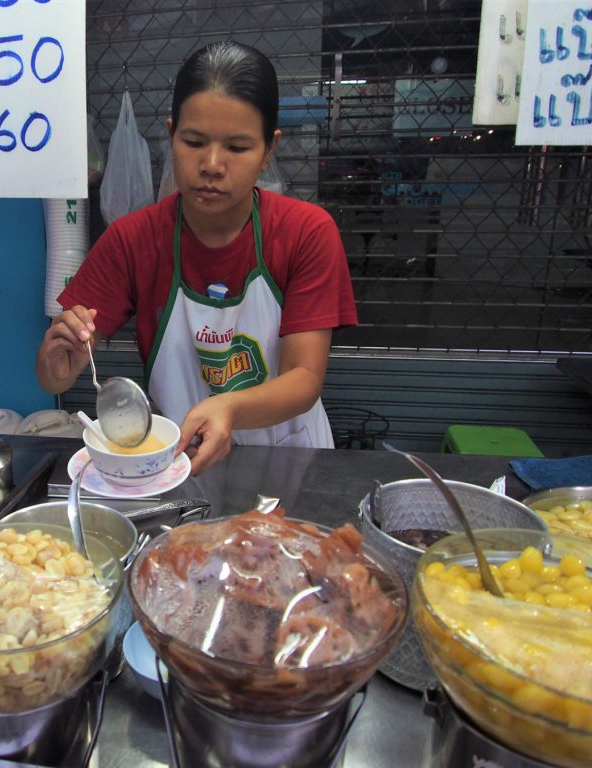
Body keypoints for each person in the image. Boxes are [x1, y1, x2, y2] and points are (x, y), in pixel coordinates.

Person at [36, 41, 357, 475]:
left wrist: (228, 407)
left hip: (289, 457)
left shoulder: (306, 233)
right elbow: (56, 374)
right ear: (171, 135)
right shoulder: (133, 239)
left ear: (269, 150)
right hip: (179, 461)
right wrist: (57, 364)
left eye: (237, 148)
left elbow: (304, 377)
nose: (211, 164)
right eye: (193, 141)